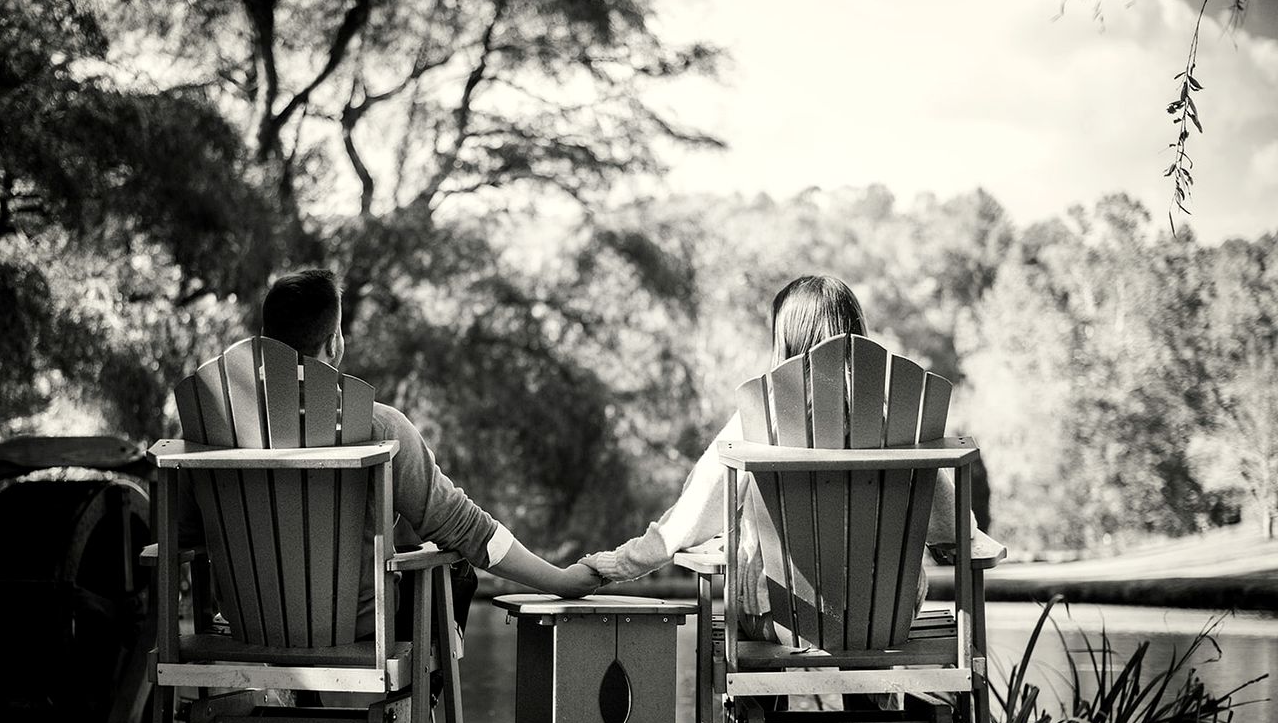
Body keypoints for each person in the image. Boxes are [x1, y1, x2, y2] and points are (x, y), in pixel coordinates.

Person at [580, 275, 1004, 640]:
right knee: (868, 630)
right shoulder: (900, 424)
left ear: (786, 340)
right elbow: (953, 530)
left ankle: (759, 722)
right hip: (887, 620)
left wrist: (620, 564)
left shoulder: (759, 418)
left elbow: (691, 519)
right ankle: (871, 717)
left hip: (780, 619)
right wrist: (959, 543)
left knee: (752, 607)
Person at [258, 268, 599, 639]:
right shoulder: (379, 427)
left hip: (251, 622)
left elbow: (188, 532)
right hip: (355, 625)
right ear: (335, 342)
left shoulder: (220, 425)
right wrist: (561, 581)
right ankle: (411, 698)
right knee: (457, 570)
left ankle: (297, 696)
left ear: (265, 343)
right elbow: (465, 527)